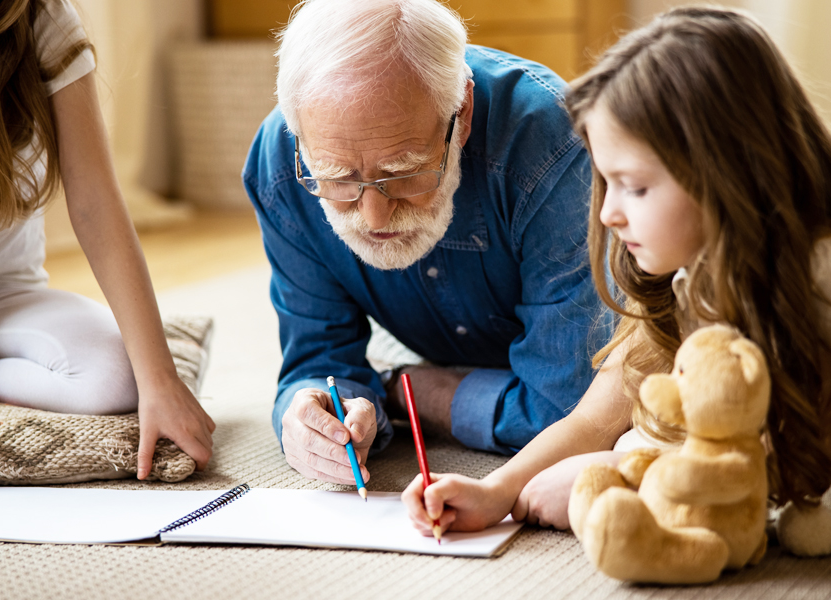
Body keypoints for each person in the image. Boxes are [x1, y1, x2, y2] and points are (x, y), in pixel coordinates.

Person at [403, 6, 831, 537]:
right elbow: (593, 420)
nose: (608, 214)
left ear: (728, 172)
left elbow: (778, 468)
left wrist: (627, 475)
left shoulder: (818, 280)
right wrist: (497, 491)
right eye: (607, 183)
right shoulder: (685, 279)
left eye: (636, 186)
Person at [243, 0, 609, 486]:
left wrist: (406, 390)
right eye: (337, 177)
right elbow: (317, 360)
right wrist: (311, 413)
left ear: (463, 112)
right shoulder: (278, 167)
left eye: (404, 172)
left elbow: (570, 411)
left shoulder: (555, 145)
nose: (374, 217)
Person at [0, 0, 215, 476]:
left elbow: (95, 203)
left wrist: (160, 378)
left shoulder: (43, 17)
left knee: (117, 378)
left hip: (0, 294)